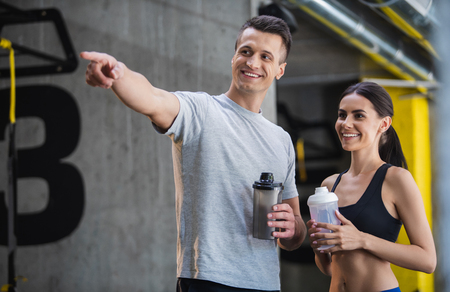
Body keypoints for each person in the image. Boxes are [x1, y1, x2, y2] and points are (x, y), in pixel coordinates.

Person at [80, 15, 307, 292]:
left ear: (279, 70)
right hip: (208, 280)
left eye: (265, 56)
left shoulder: (281, 140)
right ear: (233, 56)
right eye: (245, 51)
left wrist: (294, 229)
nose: (252, 62)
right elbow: (152, 98)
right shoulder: (201, 111)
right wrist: (118, 73)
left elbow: (294, 232)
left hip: (266, 284)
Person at [307, 81, 436, 292]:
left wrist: (361, 240)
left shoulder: (396, 179)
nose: (346, 123)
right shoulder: (329, 185)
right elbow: (330, 269)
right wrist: (319, 249)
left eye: (358, 116)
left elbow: (427, 260)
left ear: (384, 124)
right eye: (342, 115)